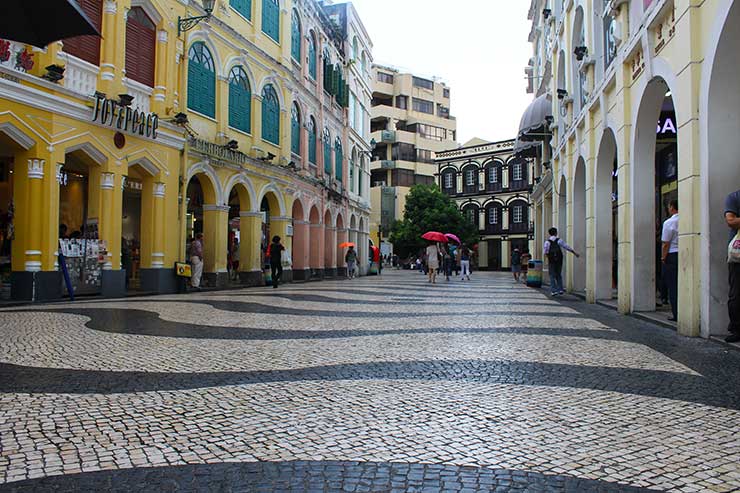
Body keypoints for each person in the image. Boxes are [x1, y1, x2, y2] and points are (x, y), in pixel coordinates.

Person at [544, 227, 580, 296]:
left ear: (549, 234)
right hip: (559, 260)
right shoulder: (559, 240)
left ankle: (553, 290)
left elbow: (545, 252)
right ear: (556, 233)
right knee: (558, 274)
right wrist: (574, 253)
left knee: (551, 275)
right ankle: (560, 289)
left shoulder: (547, 242)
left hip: (551, 261)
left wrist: (547, 260)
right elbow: (566, 246)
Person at [725, 189, 740, 343]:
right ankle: (736, 329)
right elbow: (730, 221)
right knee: (736, 293)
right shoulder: (734, 197)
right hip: (737, 255)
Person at [660, 200, 679, 321]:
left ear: (672, 208)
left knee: (673, 285)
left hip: (672, 255)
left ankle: (676, 313)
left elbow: (665, 243)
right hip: (685, 253)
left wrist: (663, 257)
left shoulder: (669, 222)